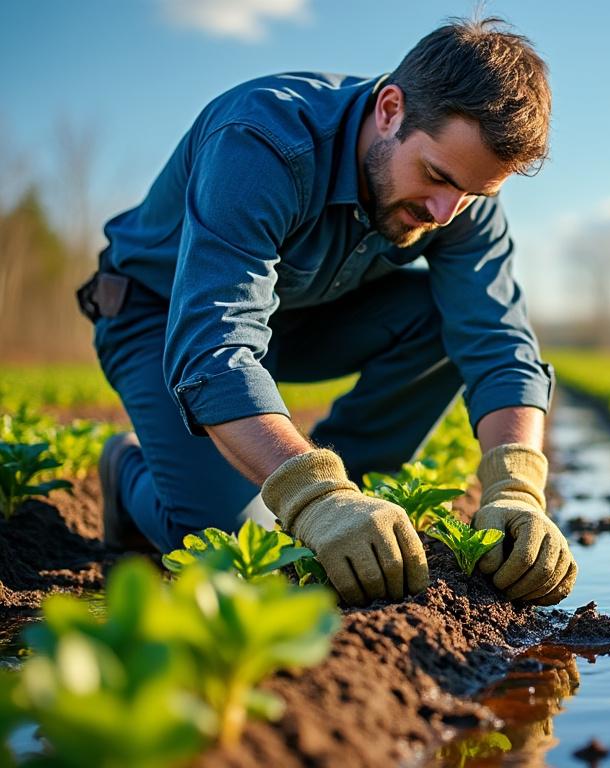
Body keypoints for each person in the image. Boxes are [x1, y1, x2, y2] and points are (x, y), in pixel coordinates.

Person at [77, 17, 576, 607]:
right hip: (162, 318)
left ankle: (351, 497)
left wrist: (517, 487)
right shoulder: (261, 142)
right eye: (436, 176)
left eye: (473, 194)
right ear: (390, 109)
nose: (446, 213)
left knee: (448, 317)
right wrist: (312, 497)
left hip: (299, 318)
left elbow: (498, 341)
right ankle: (128, 468)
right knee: (233, 547)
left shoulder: (457, 201)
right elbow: (214, 350)